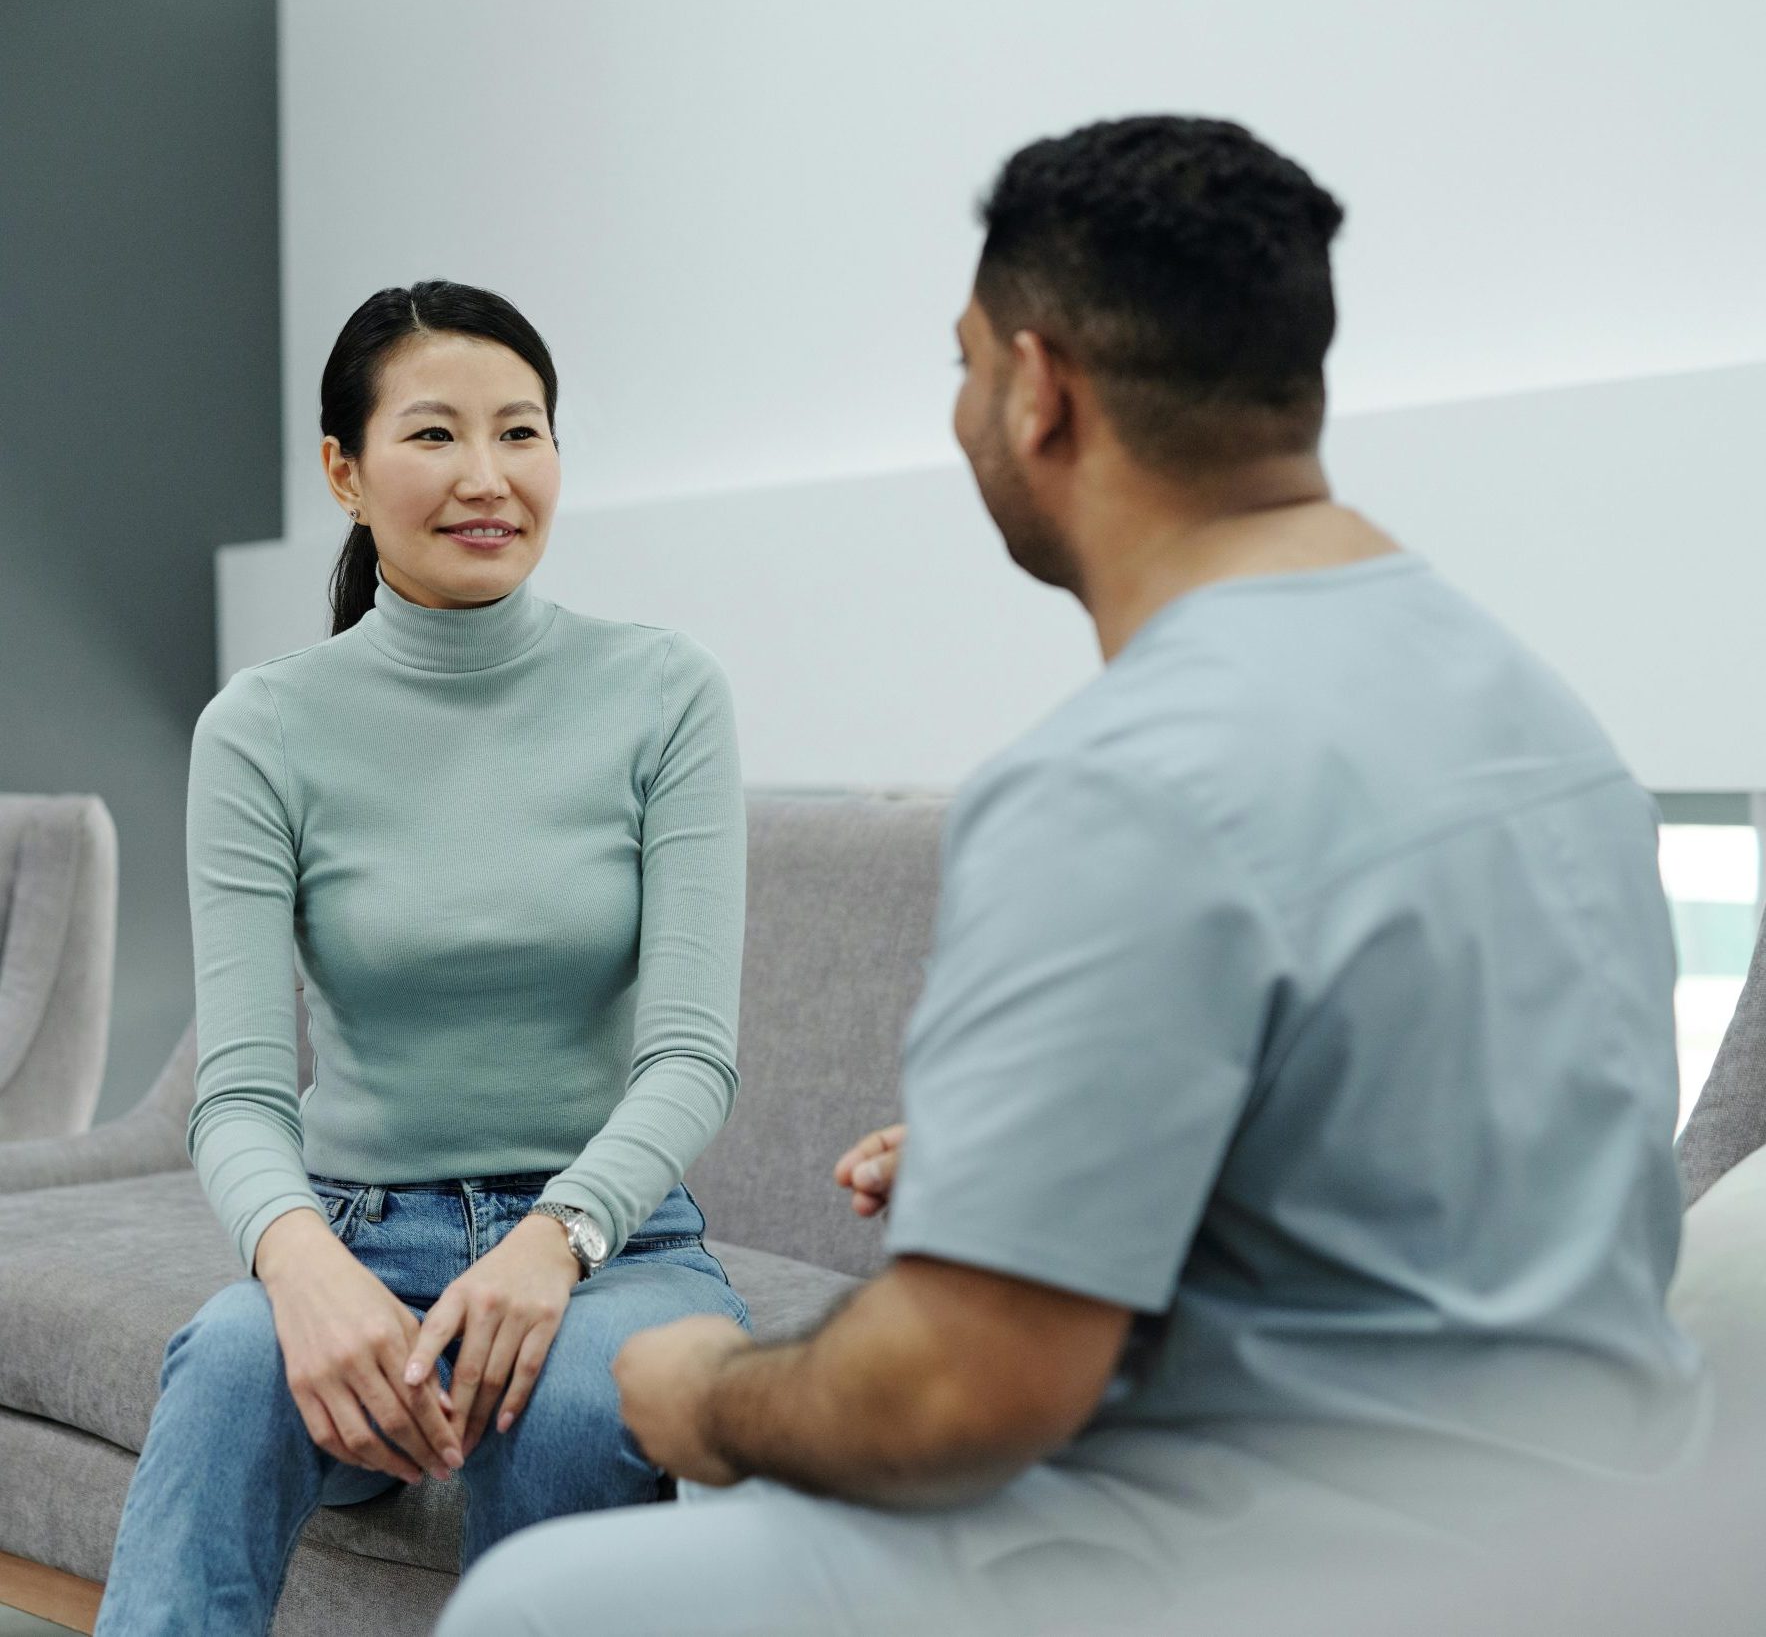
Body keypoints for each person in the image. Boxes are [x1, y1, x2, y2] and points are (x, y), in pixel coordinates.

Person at [435, 117, 1709, 1637]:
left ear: (1039, 389)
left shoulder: (1116, 780)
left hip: (1286, 1572)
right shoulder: (1545, 720)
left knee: (538, 1600)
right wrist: (1044, 1150)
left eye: (965, 365)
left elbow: (955, 1394)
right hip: (1612, 1540)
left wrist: (703, 1395)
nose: (964, 408)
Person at [93, 281, 751, 1635]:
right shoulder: (262, 728)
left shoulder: (664, 693)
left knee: (573, 1399)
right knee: (228, 1359)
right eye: (435, 435)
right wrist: (296, 1266)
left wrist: (555, 1242)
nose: (487, 478)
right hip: (357, 1236)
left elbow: (689, 1057)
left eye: (522, 433)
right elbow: (240, 1090)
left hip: (609, 1246)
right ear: (345, 472)